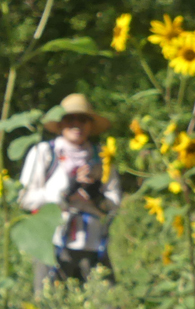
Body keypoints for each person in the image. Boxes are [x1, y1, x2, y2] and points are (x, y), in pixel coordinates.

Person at [18, 93, 121, 294]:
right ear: (59, 124)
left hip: (93, 243)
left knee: (105, 308)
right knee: (48, 303)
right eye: (69, 119)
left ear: (90, 125)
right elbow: (25, 199)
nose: (76, 125)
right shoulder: (44, 153)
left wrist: (95, 196)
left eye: (82, 119)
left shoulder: (103, 157)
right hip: (52, 242)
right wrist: (63, 194)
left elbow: (115, 201)